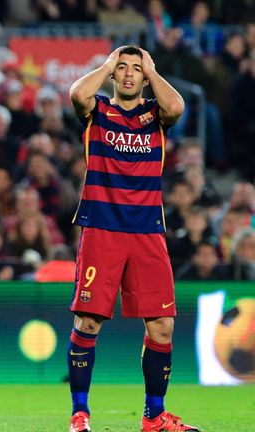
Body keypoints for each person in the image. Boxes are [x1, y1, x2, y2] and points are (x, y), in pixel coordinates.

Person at [67, 45, 198, 431]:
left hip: (146, 232)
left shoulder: (155, 115)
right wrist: (106, 64)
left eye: (134, 69)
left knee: (161, 327)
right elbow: (77, 94)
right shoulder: (98, 112)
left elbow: (176, 108)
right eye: (121, 68)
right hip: (102, 228)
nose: (127, 74)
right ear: (111, 73)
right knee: (88, 323)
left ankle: (154, 417)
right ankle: (80, 415)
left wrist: (152, 69)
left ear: (145, 76)